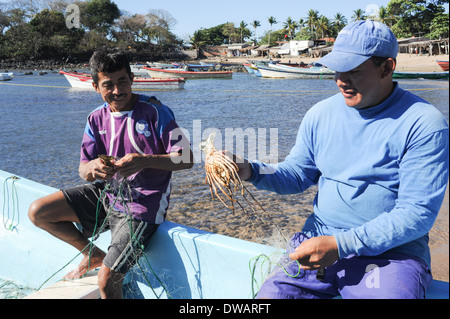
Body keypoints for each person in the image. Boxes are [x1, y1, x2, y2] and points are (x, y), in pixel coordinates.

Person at [234, 20, 449, 298]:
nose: (340, 80)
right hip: (318, 242)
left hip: (390, 256)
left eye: (354, 71)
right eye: (337, 69)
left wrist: (340, 244)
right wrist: (250, 170)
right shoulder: (320, 114)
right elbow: (297, 174)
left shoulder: (424, 123)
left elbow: (417, 213)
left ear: (387, 67)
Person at [28, 50, 193, 299]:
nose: (117, 91)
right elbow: (84, 170)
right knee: (39, 212)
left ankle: (103, 263)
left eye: (122, 81)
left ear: (132, 78)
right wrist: (94, 166)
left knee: (107, 280)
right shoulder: (95, 118)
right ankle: (92, 254)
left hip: (143, 204)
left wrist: (143, 161)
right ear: (95, 86)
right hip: (107, 194)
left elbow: (187, 158)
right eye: (108, 84)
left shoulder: (157, 112)